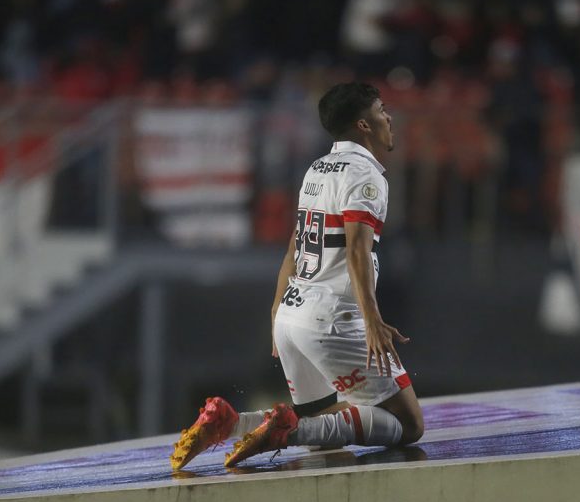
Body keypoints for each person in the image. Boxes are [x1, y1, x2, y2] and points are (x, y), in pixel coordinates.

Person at [171, 81, 424, 470]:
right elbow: (356, 249)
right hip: (332, 319)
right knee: (409, 425)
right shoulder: (366, 175)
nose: (388, 116)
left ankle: (231, 422)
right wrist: (372, 320)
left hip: (292, 316)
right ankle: (284, 430)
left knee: (323, 433)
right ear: (363, 125)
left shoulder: (317, 169)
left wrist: (276, 306)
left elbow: (296, 242)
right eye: (381, 109)